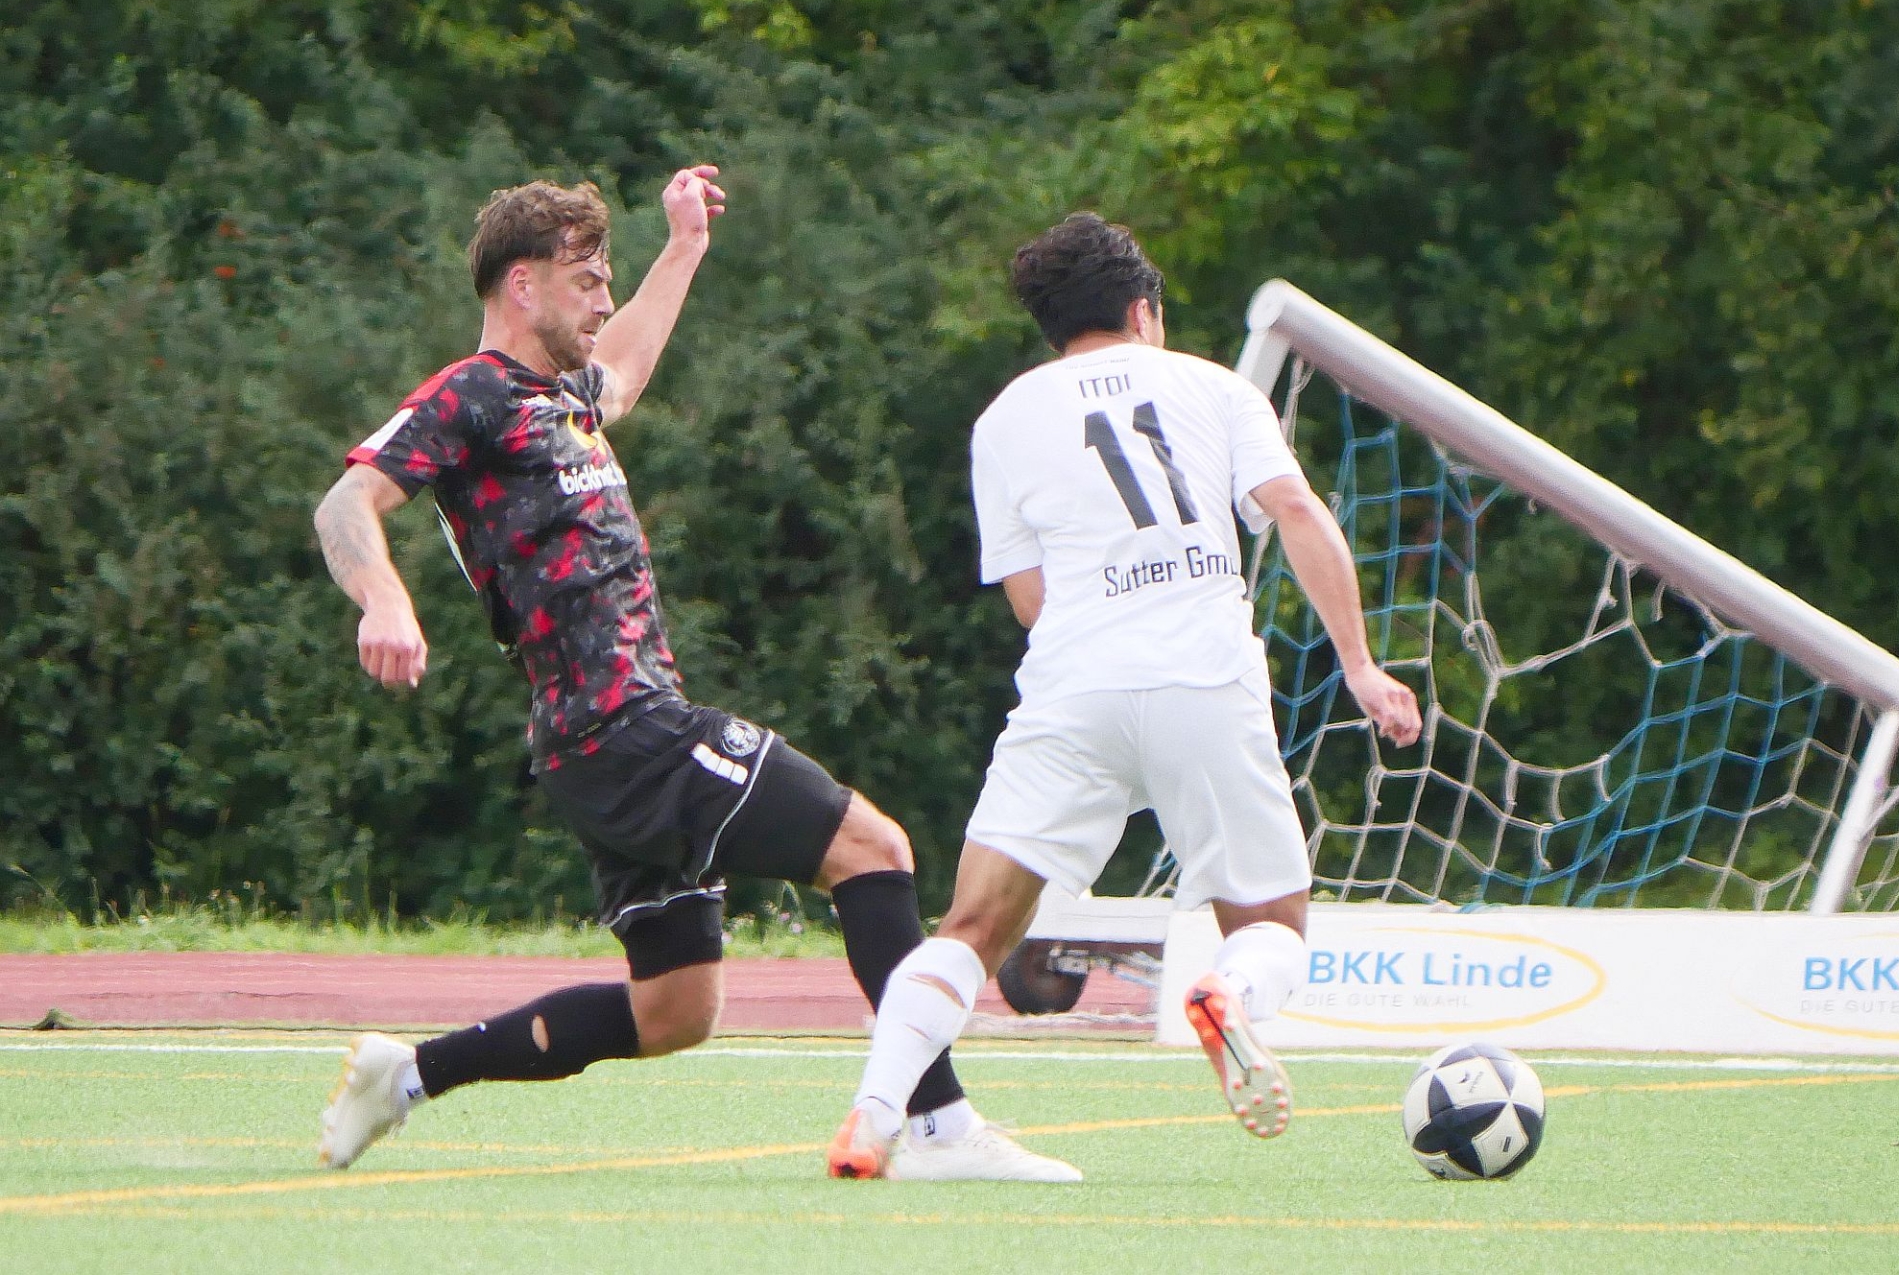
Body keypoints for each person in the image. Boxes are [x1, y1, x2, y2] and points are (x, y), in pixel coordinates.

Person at [311, 169, 1076, 1182]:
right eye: (587, 280)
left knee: (676, 1009)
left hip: (598, 745)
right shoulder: (475, 392)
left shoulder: (566, 397)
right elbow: (346, 502)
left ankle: (405, 1075)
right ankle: (937, 1126)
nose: (603, 300)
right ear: (523, 285)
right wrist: (384, 599)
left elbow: (623, 371)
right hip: (625, 730)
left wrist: (683, 249)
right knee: (873, 849)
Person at [827, 212, 1423, 1179]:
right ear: (1144, 311)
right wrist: (1359, 665)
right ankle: (1228, 994)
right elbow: (1297, 511)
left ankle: (875, 1113)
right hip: (1204, 680)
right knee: (1270, 927)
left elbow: (1031, 597)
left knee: (972, 929)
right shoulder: (1216, 388)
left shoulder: (1004, 419)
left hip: (1075, 687)